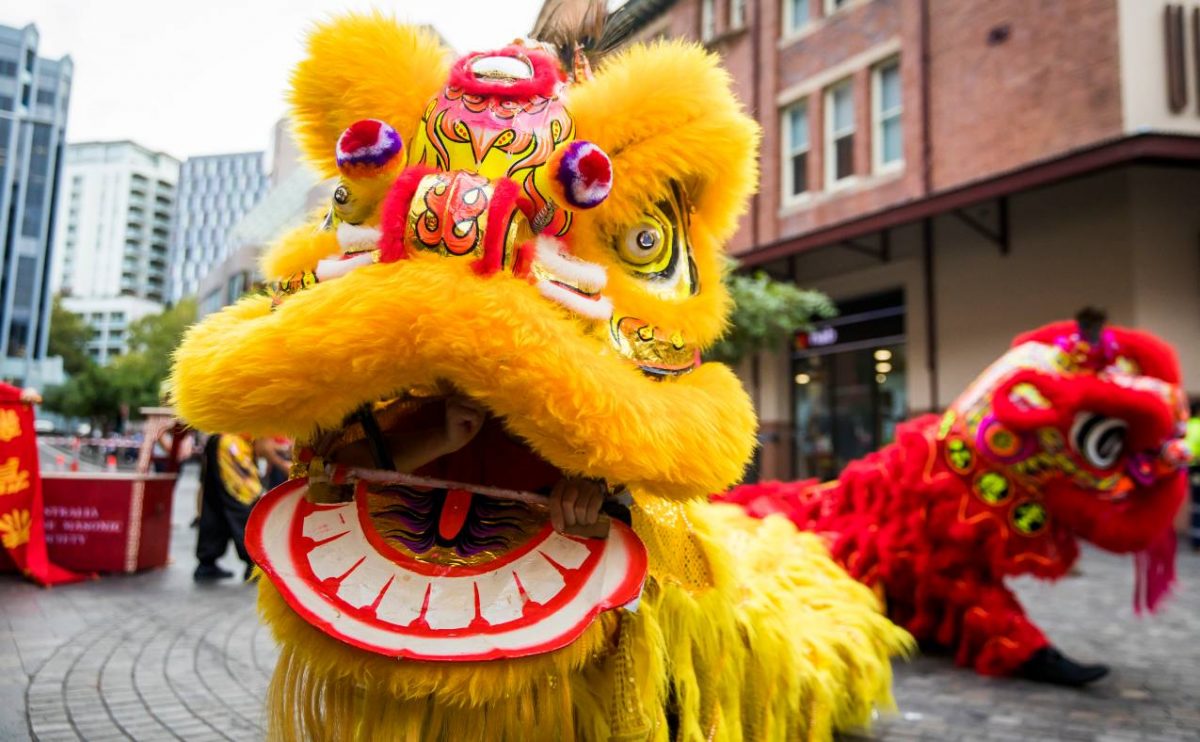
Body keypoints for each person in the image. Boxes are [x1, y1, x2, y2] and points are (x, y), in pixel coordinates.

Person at [194, 432, 264, 582]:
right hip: (231, 441)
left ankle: (207, 562)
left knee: (216, 506)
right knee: (241, 505)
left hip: (223, 439)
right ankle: (252, 564)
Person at [1188, 400, 1200, 551]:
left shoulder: (1188, 424)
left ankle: (1195, 540)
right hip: (1198, 466)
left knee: (1195, 506)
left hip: (1189, 470)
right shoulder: (1198, 426)